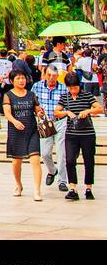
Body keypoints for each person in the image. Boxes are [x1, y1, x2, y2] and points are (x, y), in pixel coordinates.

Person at [54, 71, 102, 200]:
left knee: (89, 161)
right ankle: (73, 188)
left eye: (75, 87)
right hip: (71, 134)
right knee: (70, 160)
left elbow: (100, 108)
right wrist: (67, 112)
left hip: (87, 134)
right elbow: (56, 112)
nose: (73, 90)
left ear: (79, 85)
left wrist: (87, 111)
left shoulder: (87, 95)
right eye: (70, 88)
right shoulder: (65, 97)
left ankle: (88, 188)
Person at [3, 70, 42, 200]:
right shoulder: (8, 95)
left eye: (23, 78)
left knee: (35, 159)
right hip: (16, 132)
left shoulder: (31, 95)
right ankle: (18, 184)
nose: (21, 81)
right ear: (12, 81)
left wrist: (40, 113)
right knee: (16, 162)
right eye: (18, 78)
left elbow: (37, 110)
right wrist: (15, 121)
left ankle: (37, 190)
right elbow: (7, 112)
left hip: (31, 130)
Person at [33, 64, 68, 192]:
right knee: (45, 153)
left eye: (54, 76)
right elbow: (33, 102)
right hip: (45, 122)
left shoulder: (63, 89)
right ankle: (53, 171)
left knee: (61, 152)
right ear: (44, 75)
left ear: (58, 76)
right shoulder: (37, 86)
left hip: (60, 122)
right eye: (49, 75)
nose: (51, 78)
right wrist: (37, 112)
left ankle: (62, 181)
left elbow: (68, 106)